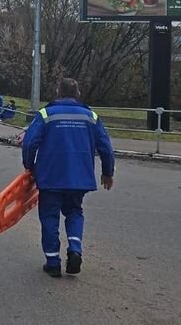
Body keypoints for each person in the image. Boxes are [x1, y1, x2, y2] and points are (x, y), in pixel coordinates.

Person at [22, 78, 114, 278]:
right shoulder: (91, 116)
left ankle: (53, 262)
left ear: (58, 91)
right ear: (78, 93)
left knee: (49, 216)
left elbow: (30, 143)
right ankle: (75, 249)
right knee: (74, 212)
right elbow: (106, 147)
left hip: (50, 176)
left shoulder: (46, 114)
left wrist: (29, 166)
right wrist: (108, 172)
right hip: (79, 177)